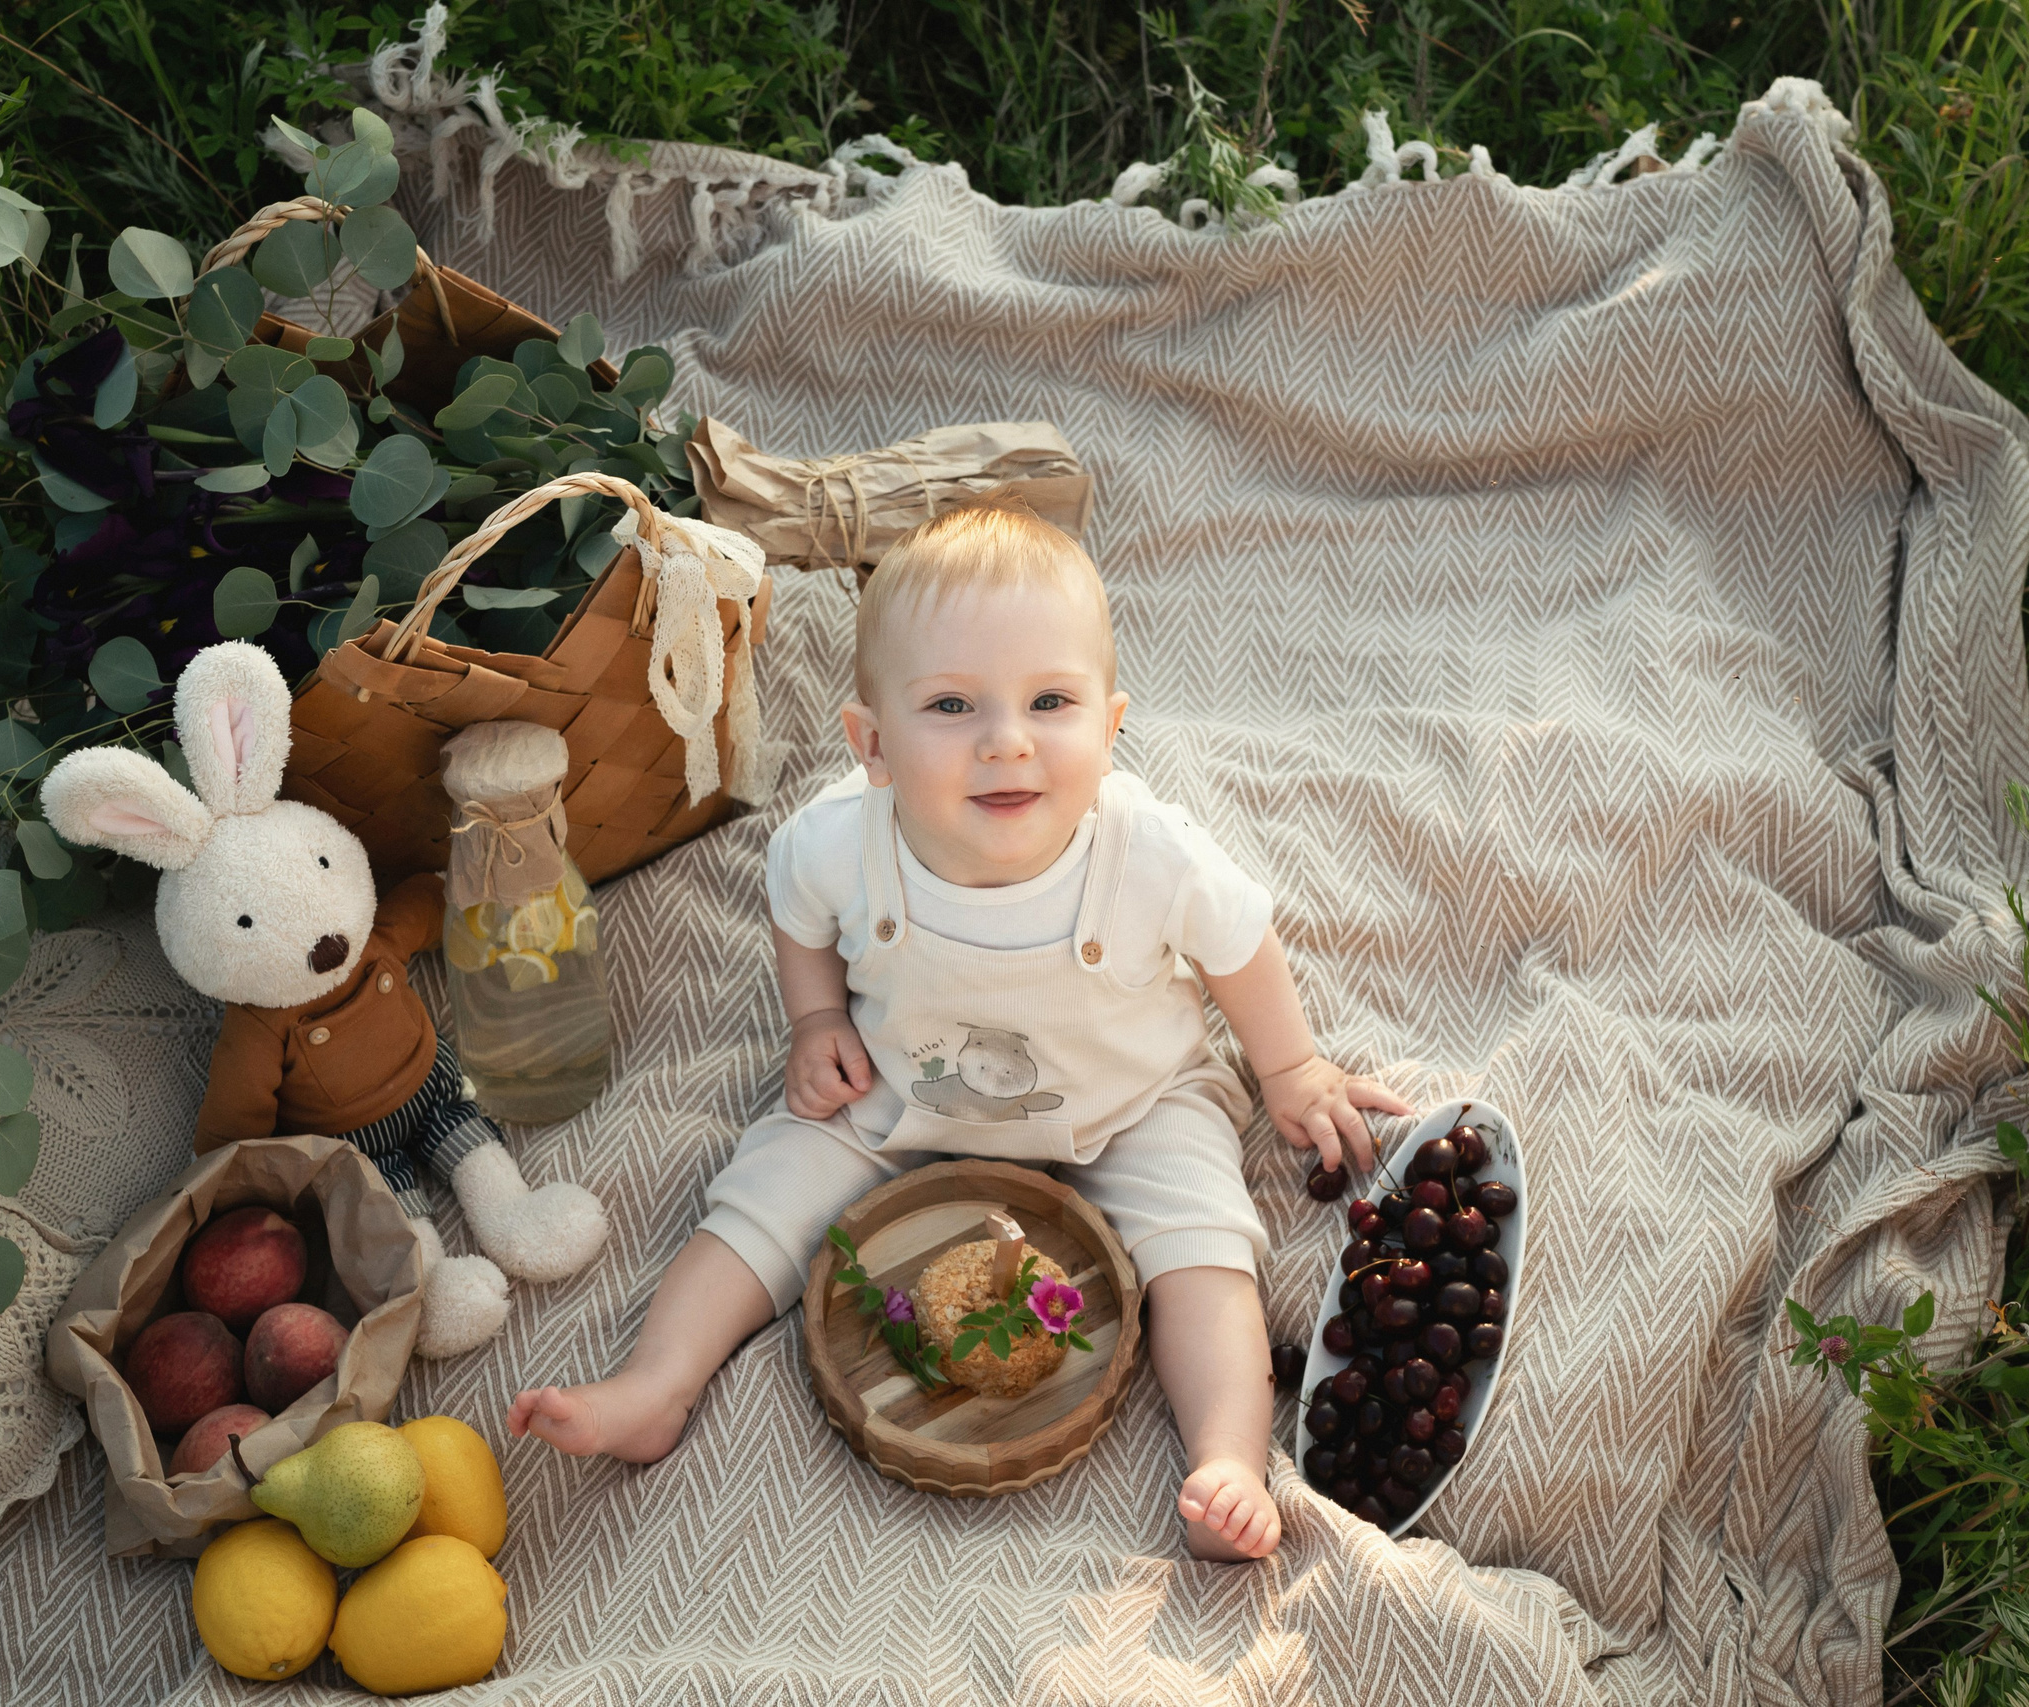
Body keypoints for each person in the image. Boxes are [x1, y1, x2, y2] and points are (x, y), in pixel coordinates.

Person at [508, 501, 1409, 1559]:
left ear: (1111, 728)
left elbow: (1238, 947)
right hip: (901, 1091)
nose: (1006, 741)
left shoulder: (1149, 853)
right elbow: (797, 914)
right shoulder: (838, 842)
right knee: (765, 1187)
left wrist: (1291, 1068)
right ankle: (656, 1385)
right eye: (950, 704)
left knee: (1203, 1244)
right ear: (872, 743)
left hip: (1130, 1099)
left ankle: (1225, 1457)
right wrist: (815, 1021)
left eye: (1049, 701)